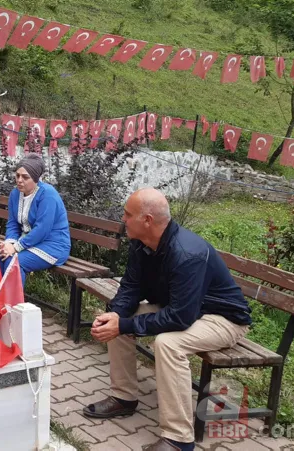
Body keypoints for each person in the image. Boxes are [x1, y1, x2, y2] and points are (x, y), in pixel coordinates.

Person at [82, 188, 252, 451]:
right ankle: (124, 398)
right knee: (113, 321)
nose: (123, 219)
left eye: (128, 214)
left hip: (222, 319)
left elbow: (180, 318)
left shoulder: (187, 253)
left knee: (168, 344)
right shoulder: (141, 243)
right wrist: (116, 315)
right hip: (184, 310)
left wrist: (125, 324)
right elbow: (131, 286)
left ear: (147, 220)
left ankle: (178, 439)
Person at [0, 153, 71, 285]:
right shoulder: (15, 194)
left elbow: (42, 230)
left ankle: (14, 303)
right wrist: (9, 243)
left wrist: (16, 248)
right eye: (17, 175)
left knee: (13, 261)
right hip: (29, 241)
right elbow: (13, 223)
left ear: (36, 179)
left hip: (53, 245)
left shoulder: (48, 194)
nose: (20, 180)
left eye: (25, 177)